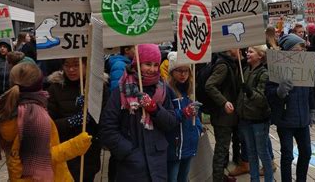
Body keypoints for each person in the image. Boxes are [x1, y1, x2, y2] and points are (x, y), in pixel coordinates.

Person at [0, 62, 92, 181]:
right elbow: (39, 159)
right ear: (38, 86)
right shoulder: (32, 117)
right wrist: (75, 146)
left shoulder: (6, 109)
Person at [100, 44, 178, 181]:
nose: (152, 69)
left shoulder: (162, 89)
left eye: (156, 65)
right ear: (137, 63)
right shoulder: (122, 90)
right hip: (130, 167)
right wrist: (129, 153)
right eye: (148, 64)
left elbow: (171, 122)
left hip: (157, 164)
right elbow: (107, 129)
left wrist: (154, 108)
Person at [266, 34, 314, 182]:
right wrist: (279, 91)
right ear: (289, 51)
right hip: (286, 120)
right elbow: (269, 93)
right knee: (287, 155)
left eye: (303, 49)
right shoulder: (277, 68)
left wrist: (311, 111)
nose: (302, 52)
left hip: (302, 120)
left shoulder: (305, 67)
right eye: (298, 49)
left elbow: (311, 92)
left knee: (306, 153)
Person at [46, 58, 104, 181]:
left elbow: (105, 120)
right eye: (67, 65)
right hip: (66, 151)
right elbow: (48, 124)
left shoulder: (98, 87)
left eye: (76, 65)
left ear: (86, 64)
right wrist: (71, 121)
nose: (71, 69)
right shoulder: (54, 89)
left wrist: (92, 112)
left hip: (90, 152)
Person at [236, 45, 273, 181]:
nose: (247, 53)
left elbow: (262, 100)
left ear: (260, 55)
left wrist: (250, 92)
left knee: (263, 152)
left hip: (259, 120)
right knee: (251, 153)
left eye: (251, 52)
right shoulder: (245, 70)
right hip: (246, 119)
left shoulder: (264, 73)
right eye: (247, 51)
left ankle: (268, 179)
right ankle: (254, 179)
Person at [165, 52, 203, 182]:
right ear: (172, 71)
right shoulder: (167, 90)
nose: (183, 74)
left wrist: (197, 129)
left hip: (189, 141)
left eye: (186, 70)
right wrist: (184, 112)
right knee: (172, 178)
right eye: (179, 70)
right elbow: (166, 118)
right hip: (174, 145)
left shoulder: (190, 89)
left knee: (184, 177)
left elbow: (195, 114)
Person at [205, 49, 240, 181]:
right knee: (221, 150)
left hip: (226, 115)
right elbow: (210, 85)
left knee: (223, 149)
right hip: (223, 116)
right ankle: (218, 178)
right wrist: (224, 102)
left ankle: (221, 176)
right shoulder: (223, 65)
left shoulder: (228, 62)